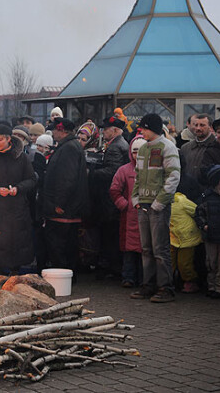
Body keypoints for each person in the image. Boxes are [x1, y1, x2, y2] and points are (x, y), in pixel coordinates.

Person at [130, 113, 181, 303]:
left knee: (160, 248)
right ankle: (148, 285)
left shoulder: (168, 147)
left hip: (158, 207)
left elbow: (173, 177)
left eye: (143, 127)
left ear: (152, 128)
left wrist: (159, 202)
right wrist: (135, 198)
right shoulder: (143, 149)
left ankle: (165, 287)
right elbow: (137, 175)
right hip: (143, 204)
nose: (141, 131)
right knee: (146, 248)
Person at [0, 123, 36, 275]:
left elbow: (31, 180)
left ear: (9, 139)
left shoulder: (21, 158)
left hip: (17, 211)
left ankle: (15, 278)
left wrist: (18, 189)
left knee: (16, 247)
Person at [43, 118, 89, 272]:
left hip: (63, 210)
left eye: (54, 130)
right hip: (69, 209)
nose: (53, 133)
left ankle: (62, 276)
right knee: (67, 245)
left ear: (61, 130)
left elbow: (66, 179)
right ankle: (67, 275)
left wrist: (58, 204)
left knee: (60, 246)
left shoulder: (68, 148)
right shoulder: (71, 146)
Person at [92, 116, 130, 279]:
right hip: (116, 198)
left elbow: (113, 172)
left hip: (110, 200)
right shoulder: (121, 143)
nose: (103, 131)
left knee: (110, 234)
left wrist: (92, 172)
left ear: (114, 130)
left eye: (106, 129)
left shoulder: (115, 147)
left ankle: (111, 267)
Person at [110, 136, 146, 287]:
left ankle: (144, 279)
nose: (138, 155)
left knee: (145, 250)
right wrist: (124, 205)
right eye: (135, 151)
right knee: (129, 250)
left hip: (146, 215)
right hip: (128, 216)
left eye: (141, 151)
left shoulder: (153, 170)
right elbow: (114, 190)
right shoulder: (124, 170)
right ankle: (128, 278)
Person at [194, 165, 220, 299]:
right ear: (217, 180)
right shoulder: (207, 196)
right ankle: (211, 286)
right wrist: (204, 225)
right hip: (210, 236)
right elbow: (198, 213)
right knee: (211, 262)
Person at [170, 191, 202, 294]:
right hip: (171, 236)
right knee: (169, 262)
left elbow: (196, 210)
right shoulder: (158, 202)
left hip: (187, 237)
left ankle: (191, 281)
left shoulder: (180, 200)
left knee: (184, 263)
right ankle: (168, 282)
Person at [179, 114, 214, 182]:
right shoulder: (185, 148)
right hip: (188, 189)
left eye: (202, 125)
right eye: (196, 125)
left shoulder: (216, 146)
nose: (198, 128)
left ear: (210, 127)